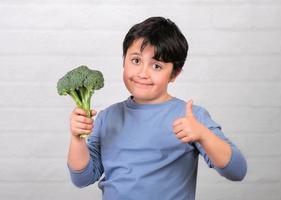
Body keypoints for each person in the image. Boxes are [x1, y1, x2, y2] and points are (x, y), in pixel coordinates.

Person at [67, 16, 247, 200]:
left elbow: (237, 170)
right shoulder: (107, 117)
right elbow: (82, 178)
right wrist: (77, 139)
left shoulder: (190, 118)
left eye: (156, 66)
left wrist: (203, 135)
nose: (143, 73)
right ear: (124, 61)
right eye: (136, 61)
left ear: (174, 73)